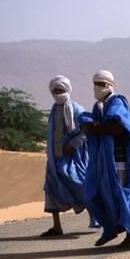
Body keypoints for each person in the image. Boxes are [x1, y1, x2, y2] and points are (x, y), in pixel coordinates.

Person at [79, 70, 130, 248]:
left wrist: (94, 126)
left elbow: (115, 128)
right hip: (104, 161)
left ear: (111, 85)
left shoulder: (117, 102)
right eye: (96, 83)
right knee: (95, 194)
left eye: (102, 84)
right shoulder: (99, 106)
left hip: (121, 160)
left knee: (123, 195)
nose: (98, 87)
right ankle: (110, 228)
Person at [41, 75, 99, 237]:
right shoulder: (53, 110)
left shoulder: (76, 109)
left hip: (74, 158)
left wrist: (72, 144)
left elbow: (86, 131)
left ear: (67, 90)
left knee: (82, 184)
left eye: (61, 90)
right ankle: (56, 226)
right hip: (55, 158)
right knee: (51, 187)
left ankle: (98, 217)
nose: (58, 93)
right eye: (55, 91)